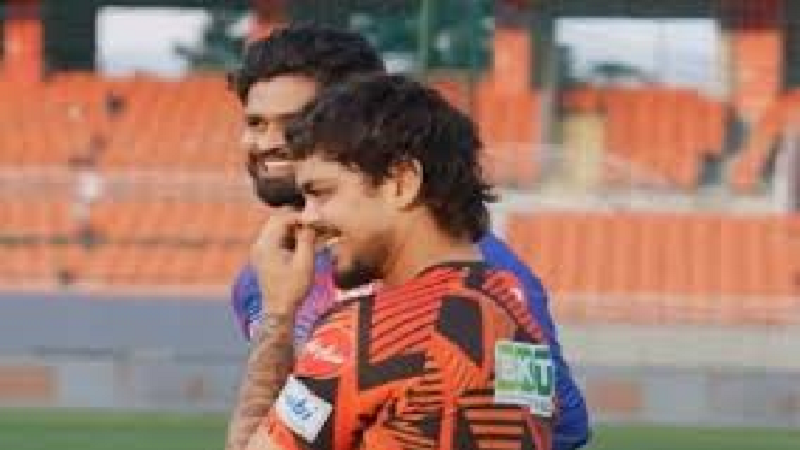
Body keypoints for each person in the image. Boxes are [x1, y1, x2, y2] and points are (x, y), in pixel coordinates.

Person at [226, 25, 589, 450]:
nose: (271, 143)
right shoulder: (263, 280)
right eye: (255, 123)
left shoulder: (494, 284)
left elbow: (561, 429)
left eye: (295, 123)